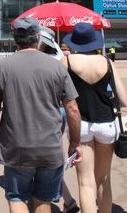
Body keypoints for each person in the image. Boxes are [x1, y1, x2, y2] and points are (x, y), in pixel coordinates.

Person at [0, 18, 82, 213]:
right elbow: (73, 108)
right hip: (49, 145)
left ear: (15, 40)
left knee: (17, 197)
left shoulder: (1, 66)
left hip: (15, 146)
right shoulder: (57, 67)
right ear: (37, 38)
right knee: (43, 199)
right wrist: (75, 142)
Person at [62, 23, 127, 213]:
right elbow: (122, 99)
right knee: (103, 178)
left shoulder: (66, 62)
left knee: (85, 182)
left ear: (74, 42)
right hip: (106, 123)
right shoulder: (106, 61)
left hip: (80, 124)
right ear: (93, 42)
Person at [38, 27, 78, 212]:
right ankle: (67, 199)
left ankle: (61, 197)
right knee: (51, 154)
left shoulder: (41, 61)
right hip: (62, 111)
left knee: (44, 160)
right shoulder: (62, 59)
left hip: (46, 112)